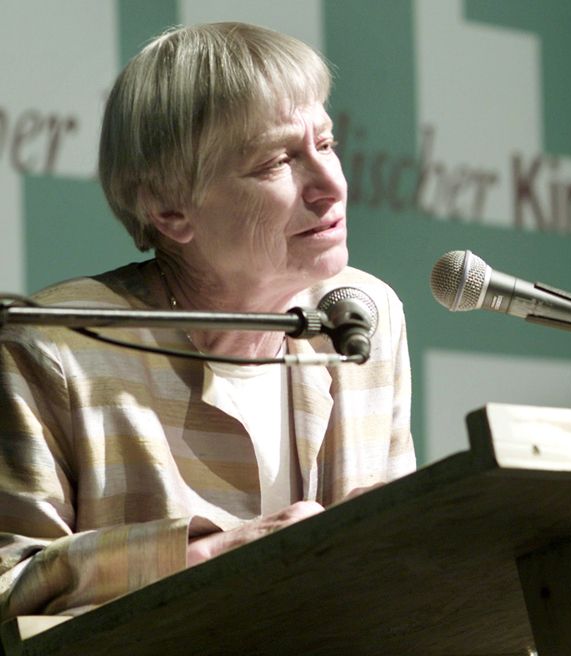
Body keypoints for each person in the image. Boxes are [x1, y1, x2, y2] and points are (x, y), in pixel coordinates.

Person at [0, 22, 415, 621]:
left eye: (326, 145)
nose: (331, 186)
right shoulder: (55, 352)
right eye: (278, 160)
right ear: (169, 209)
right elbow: (8, 588)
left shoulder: (363, 315)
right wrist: (208, 558)